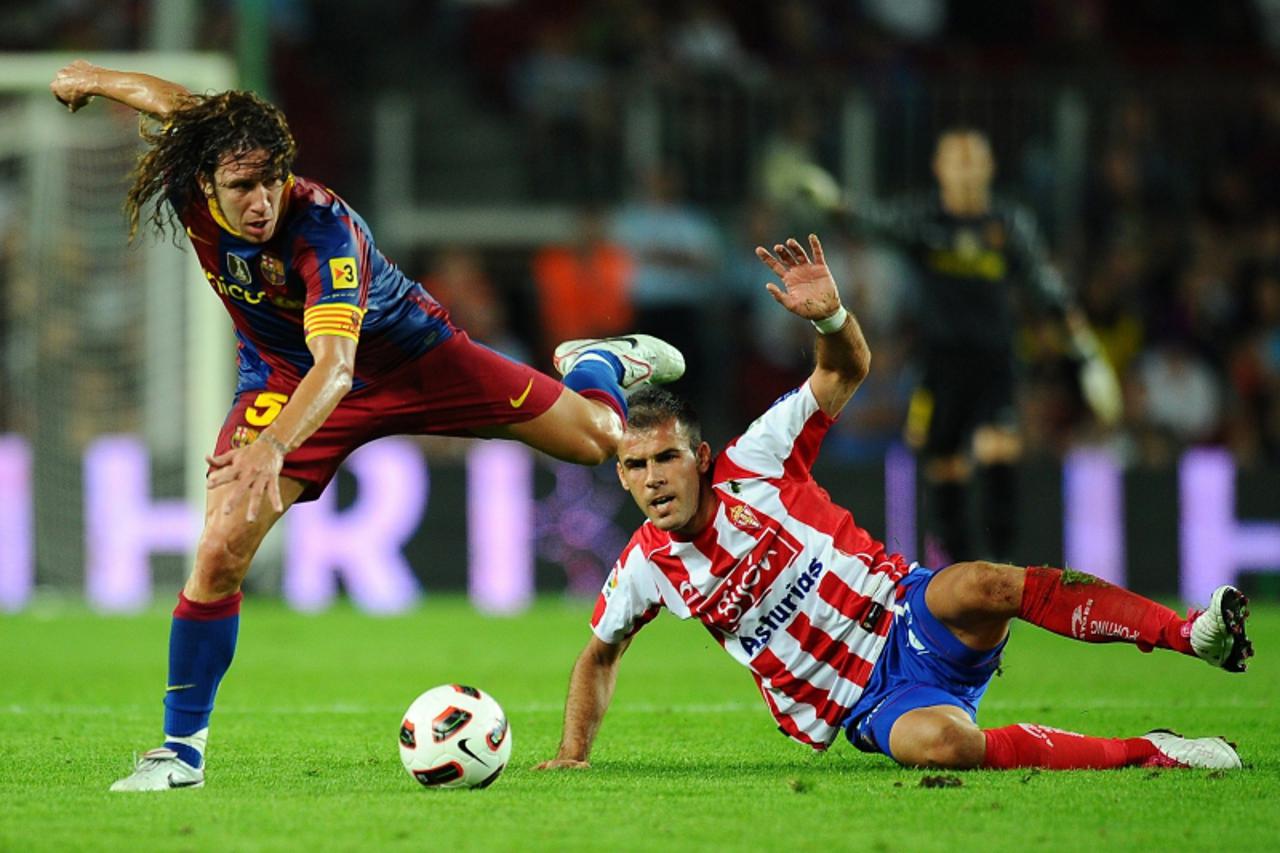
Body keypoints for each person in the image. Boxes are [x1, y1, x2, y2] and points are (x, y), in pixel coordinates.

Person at [50, 59, 685, 792]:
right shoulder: (198, 165)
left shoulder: (321, 231)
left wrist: (273, 446)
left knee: (599, 442)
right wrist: (91, 77)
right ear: (206, 179)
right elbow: (168, 101)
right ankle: (180, 753)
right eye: (242, 187)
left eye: (271, 181)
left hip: (411, 358)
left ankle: (597, 361)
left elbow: (338, 368)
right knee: (221, 544)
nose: (260, 202)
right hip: (283, 379)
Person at [536, 234, 1252, 773]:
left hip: (908, 612)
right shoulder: (646, 565)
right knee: (944, 746)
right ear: (623, 476)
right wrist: (573, 753)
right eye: (636, 465)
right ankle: (1152, 751)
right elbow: (599, 655)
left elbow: (845, 367)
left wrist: (830, 318)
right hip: (866, 704)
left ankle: (1192, 634)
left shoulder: (756, 459)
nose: (654, 476)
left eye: (666, 457)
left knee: (988, 582)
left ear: (699, 457)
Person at [830, 128, 1122, 563]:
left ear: (989, 168)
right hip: (939, 366)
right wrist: (834, 202)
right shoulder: (926, 220)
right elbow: (876, 221)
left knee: (997, 449)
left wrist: (1085, 353)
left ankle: (1002, 565)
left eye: (973, 161)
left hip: (995, 362)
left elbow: (1045, 287)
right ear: (939, 169)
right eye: (956, 161)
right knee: (945, 465)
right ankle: (959, 573)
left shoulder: (1007, 224)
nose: (965, 171)